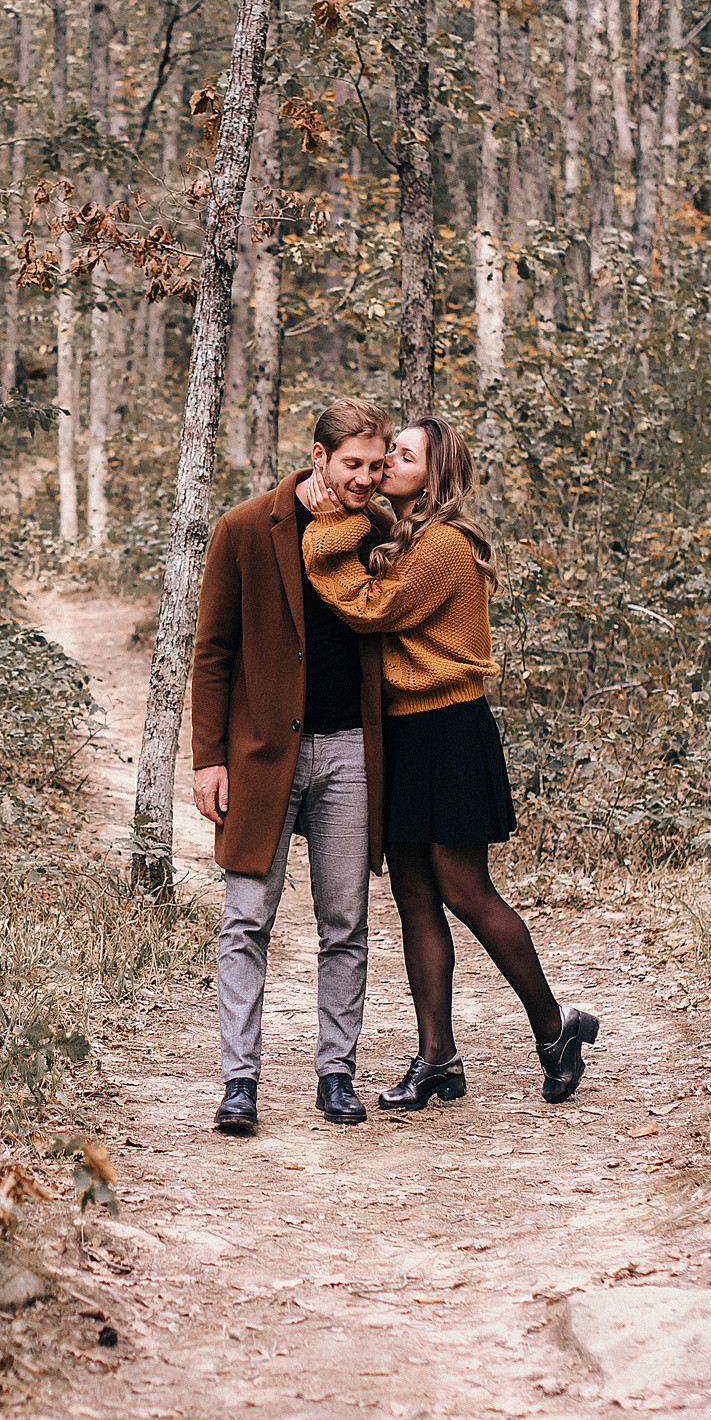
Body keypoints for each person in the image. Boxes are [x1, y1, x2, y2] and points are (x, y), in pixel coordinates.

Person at [296, 415, 600, 1108]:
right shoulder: (399, 534)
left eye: (402, 457)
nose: (384, 466)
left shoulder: (441, 545)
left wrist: (326, 523)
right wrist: (352, 515)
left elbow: (370, 608)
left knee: (464, 890)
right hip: (402, 733)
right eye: (386, 455)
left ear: (434, 475)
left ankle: (556, 1029)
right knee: (413, 897)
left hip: (450, 729)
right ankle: (437, 1057)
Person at [189, 399, 394, 1134]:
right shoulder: (245, 527)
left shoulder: (379, 532)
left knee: (346, 920)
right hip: (260, 756)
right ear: (318, 456)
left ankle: (336, 1073)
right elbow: (213, 651)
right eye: (352, 464)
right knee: (246, 919)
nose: (365, 479)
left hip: (351, 751)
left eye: (376, 466)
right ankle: (238, 1083)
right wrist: (209, 759)